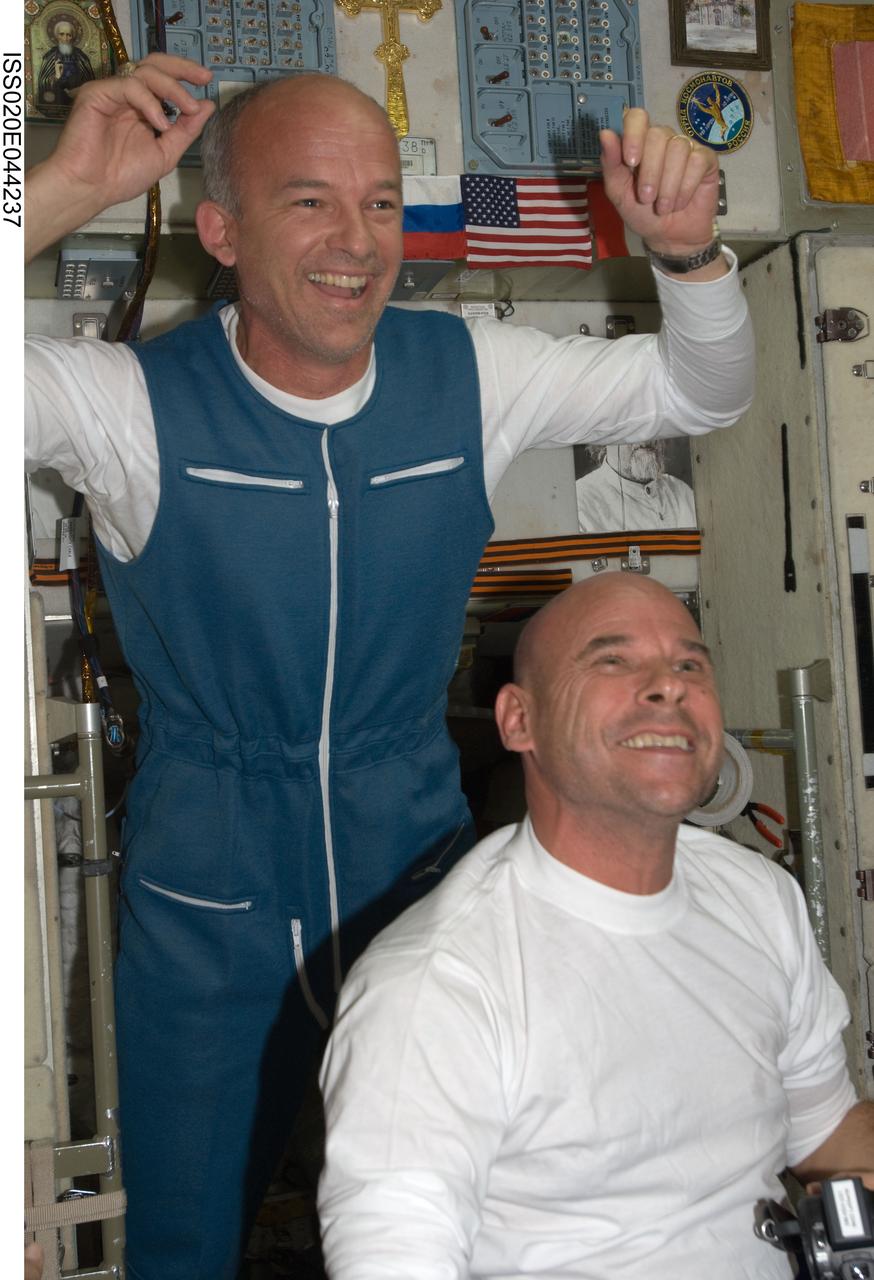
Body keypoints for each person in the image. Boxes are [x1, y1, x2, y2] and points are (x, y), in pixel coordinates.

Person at [24, 53, 754, 1280]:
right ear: (223, 231)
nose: (356, 240)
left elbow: (703, 388)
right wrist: (58, 189)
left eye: (376, 200)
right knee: (182, 1246)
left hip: (421, 883)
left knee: (486, 1226)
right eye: (308, 200)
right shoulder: (129, 403)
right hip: (208, 905)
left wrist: (687, 256)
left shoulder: (468, 370)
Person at [318, 572, 874, 1279]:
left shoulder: (756, 898)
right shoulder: (435, 986)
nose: (667, 686)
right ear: (519, 720)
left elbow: (825, 1130)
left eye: (690, 665)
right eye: (612, 660)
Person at [575, 440, 697, 531]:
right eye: (632, 426)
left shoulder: (681, 491)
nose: (647, 436)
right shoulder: (579, 502)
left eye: (654, 425)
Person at [37, 13, 95, 118]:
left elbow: (91, 82)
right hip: (56, 99)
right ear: (56, 36)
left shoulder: (81, 57)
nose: (65, 38)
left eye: (69, 35)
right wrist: (56, 77)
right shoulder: (50, 56)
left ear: (73, 37)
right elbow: (42, 83)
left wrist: (78, 90)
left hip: (78, 99)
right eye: (62, 34)